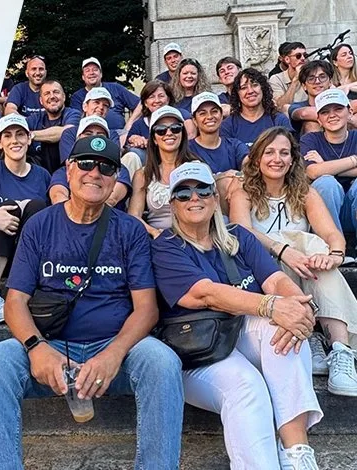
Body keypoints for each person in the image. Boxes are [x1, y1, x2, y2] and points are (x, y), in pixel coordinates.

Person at [0, 134, 183, 470]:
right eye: (86, 163)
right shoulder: (40, 225)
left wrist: (113, 354)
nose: (95, 173)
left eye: (106, 167)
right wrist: (36, 347)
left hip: (116, 349)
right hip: (51, 346)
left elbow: (146, 308)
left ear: (115, 179)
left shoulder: (129, 230)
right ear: (69, 170)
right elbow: (14, 302)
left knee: (162, 363)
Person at [152, 161, 323, 470]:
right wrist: (272, 306)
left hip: (239, 334)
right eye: (184, 193)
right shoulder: (166, 246)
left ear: (215, 198)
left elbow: (275, 280)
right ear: (172, 204)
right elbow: (205, 293)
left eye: (203, 190)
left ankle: (297, 452)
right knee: (247, 387)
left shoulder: (238, 235)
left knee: (284, 330)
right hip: (197, 352)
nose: (195, 198)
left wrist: (298, 305)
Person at [229, 126, 357, 395]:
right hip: (262, 273)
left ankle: (339, 350)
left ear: (292, 159)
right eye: (270, 152)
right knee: (302, 243)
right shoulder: (243, 192)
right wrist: (283, 248)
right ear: (257, 158)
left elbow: (333, 234)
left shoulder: (305, 193)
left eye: (284, 153)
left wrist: (332, 255)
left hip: (303, 270)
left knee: (315, 251)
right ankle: (313, 334)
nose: (277, 159)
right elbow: (241, 231)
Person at [0, 114, 51, 324]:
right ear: (0, 143)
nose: (15, 140)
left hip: (23, 258)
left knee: (37, 206)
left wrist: (25, 207)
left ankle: (32, 290)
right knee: (7, 209)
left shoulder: (42, 176)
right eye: (8, 136)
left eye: (20, 134)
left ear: (29, 138)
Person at [128, 106, 202, 238]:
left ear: (182, 134)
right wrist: (154, 232)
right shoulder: (143, 175)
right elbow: (134, 216)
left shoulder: (197, 168)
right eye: (161, 130)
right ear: (154, 139)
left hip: (193, 236)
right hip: (158, 239)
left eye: (175, 128)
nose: (169, 133)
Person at [301, 88, 357, 234]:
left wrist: (324, 165)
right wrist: (354, 160)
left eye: (338, 109)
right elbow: (313, 172)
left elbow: (319, 169)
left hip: (353, 206)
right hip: (324, 212)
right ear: (319, 119)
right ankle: (333, 248)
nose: (332, 115)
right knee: (326, 182)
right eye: (325, 112)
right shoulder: (310, 140)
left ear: (350, 111)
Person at [51, 115, 132, 211]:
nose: (93, 139)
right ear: (78, 138)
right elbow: (58, 196)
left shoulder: (119, 168)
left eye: (100, 135)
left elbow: (111, 199)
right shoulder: (65, 170)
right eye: (88, 134)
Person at [188, 92, 250, 212]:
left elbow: (249, 165)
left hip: (233, 204)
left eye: (214, 111)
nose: (210, 116)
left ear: (221, 116)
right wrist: (223, 177)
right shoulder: (187, 149)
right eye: (202, 113)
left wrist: (239, 177)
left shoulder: (234, 145)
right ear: (195, 120)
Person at [120, 80, 195, 178]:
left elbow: (190, 139)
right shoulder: (138, 124)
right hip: (149, 165)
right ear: (145, 103)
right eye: (151, 97)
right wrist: (135, 139)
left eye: (161, 96)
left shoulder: (181, 116)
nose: (157, 100)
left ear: (168, 99)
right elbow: (128, 146)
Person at [221, 68, 293, 146]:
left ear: (263, 89)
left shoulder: (278, 120)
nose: (250, 91)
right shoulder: (228, 126)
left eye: (254, 85)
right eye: (244, 88)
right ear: (237, 94)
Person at [69, 57, 142, 132]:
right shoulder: (77, 97)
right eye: (87, 70)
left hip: (119, 133)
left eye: (95, 70)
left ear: (101, 74)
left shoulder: (116, 88)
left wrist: (129, 125)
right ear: (83, 77)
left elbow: (141, 104)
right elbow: (76, 121)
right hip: (91, 134)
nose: (91, 73)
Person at [25, 80, 82, 173]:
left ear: (64, 97)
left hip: (66, 172)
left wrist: (30, 135)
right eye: (47, 93)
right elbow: (18, 129)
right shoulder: (36, 118)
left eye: (56, 92)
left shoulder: (73, 114)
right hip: (39, 173)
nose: (52, 96)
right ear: (41, 101)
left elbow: (65, 132)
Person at [289, 60, 337, 135]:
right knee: (311, 125)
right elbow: (304, 114)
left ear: (330, 82)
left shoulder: (340, 102)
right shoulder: (296, 106)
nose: (317, 81)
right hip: (308, 144)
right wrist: (341, 116)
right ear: (304, 86)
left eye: (322, 77)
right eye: (311, 78)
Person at [271, 42, 309, 109]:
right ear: (287, 59)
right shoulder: (276, 79)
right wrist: (295, 80)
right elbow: (281, 107)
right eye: (298, 56)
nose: (303, 58)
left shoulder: (311, 76)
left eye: (305, 55)